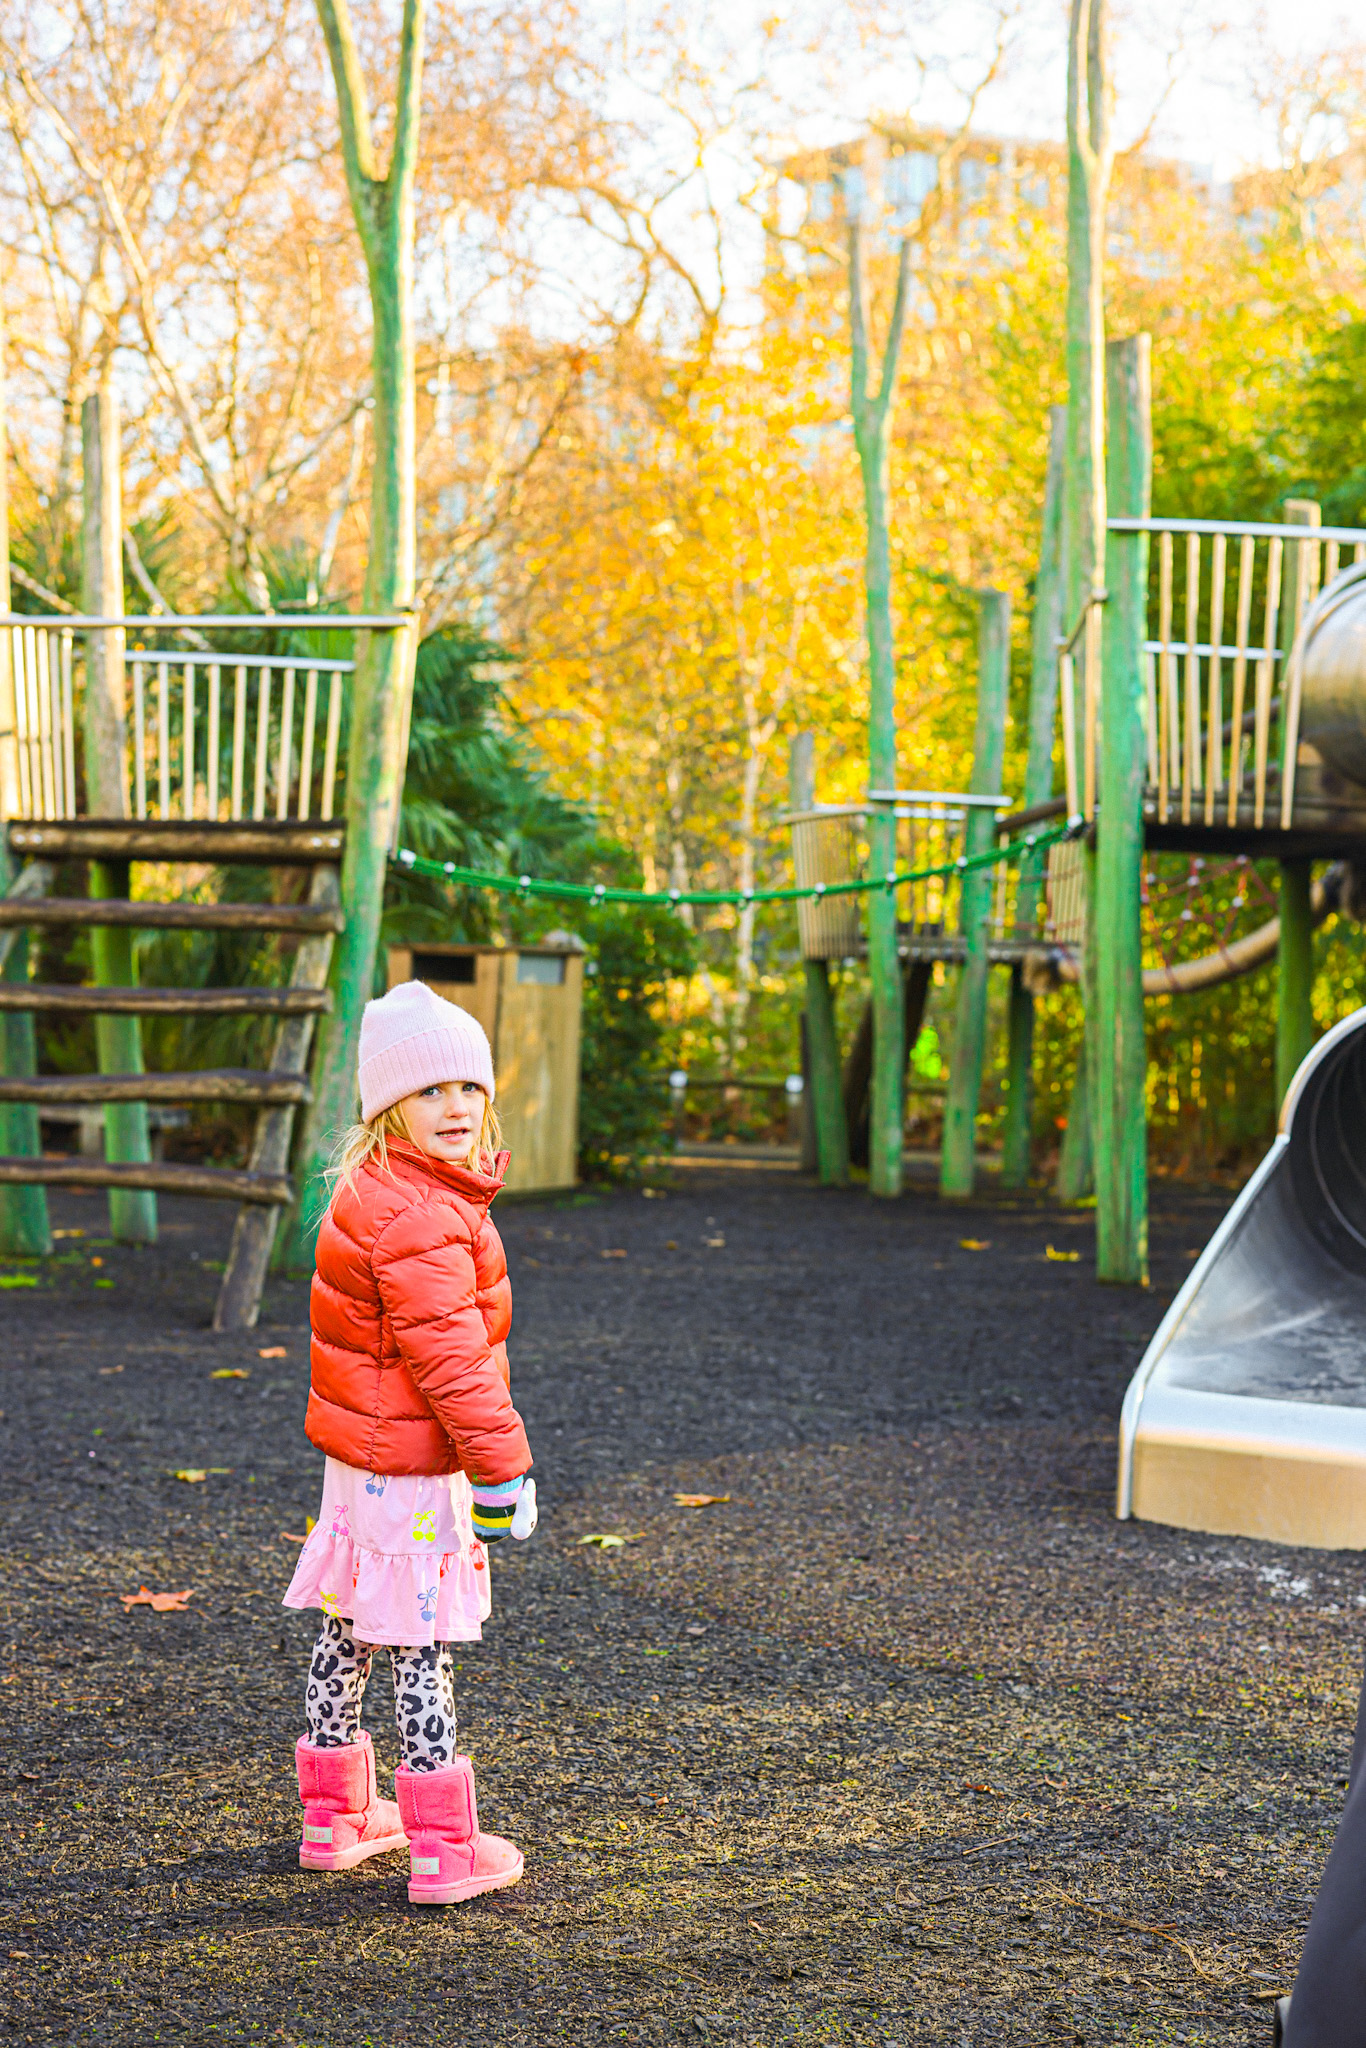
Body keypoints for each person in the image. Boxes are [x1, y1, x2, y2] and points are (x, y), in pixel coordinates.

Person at [283, 979, 535, 1905]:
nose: (457, 1107)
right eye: (430, 1092)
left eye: (468, 1088)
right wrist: (504, 1465)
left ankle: (335, 1815)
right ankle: (441, 1843)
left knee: (349, 1621)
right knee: (419, 1638)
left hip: (358, 1460)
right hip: (417, 1466)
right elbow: (452, 1360)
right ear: (388, 1107)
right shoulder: (425, 1215)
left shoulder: (376, 1190)